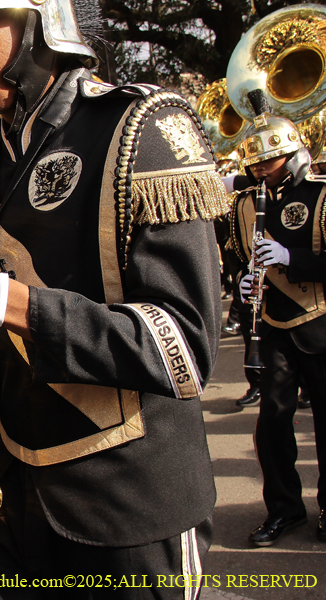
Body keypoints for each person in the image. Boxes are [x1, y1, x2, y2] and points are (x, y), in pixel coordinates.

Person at [0, 2, 228, 597]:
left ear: (42, 20)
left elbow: (181, 350)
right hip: (9, 486)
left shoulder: (139, 125)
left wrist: (0, 298)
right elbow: (4, 341)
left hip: (126, 496)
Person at [229, 92, 326, 547]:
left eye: (271, 161)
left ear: (292, 155)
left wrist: (291, 257)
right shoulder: (246, 205)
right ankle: (284, 510)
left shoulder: (321, 195)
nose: (261, 170)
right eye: (256, 164)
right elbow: (237, 258)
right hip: (271, 325)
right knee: (272, 425)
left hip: (318, 322)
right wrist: (244, 286)